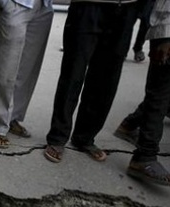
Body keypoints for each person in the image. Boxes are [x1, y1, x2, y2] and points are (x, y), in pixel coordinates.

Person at [44, 0, 139, 163]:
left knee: (106, 79)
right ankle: (58, 137)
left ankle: (85, 137)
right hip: (88, 5)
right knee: (73, 72)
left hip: (127, 7)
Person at [0, 0, 53, 149]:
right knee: (5, 68)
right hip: (14, 4)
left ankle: (12, 117)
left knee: (27, 69)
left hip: (43, 7)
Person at [123, 0, 170, 186]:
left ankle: (130, 124)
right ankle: (144, 156)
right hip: (167, 31)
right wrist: (165, 33)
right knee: (160, 92)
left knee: (164, 94)